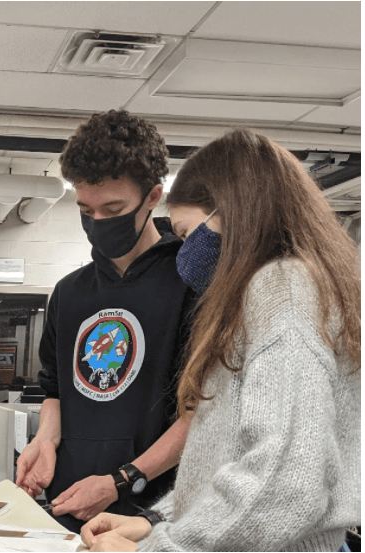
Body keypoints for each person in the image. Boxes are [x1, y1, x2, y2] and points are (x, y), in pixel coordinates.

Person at [81, 129, 361, 552]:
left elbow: (287, 479)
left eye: (189, 231)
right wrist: (158, 521)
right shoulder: (277, 291)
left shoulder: (282, 288)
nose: (187, 252)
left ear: (233, 214)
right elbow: (227, 456)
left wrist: (155, 551)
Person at [15, 110, 196, 534]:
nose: (97, 222)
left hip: (154, 516)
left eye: (113, 208)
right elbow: (56, 389)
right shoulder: (69, 291)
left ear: (153, 196)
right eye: (85, 209)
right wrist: (45, 440)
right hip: (69, 505)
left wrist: (121, 480)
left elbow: (201, 413)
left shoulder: (191, 283)